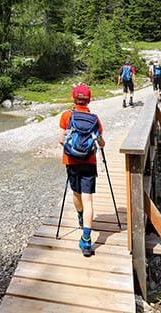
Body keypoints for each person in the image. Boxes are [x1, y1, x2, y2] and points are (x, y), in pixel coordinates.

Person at [58, 83, 105, 257]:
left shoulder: (66, 115)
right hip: (89, 161)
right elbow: (100, 142)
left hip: (71, 161)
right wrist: (98, 144)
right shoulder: (94, 119)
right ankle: (86, 240)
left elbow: (60, 139)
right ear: (89, 100)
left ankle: (80, 216)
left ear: (73, 98)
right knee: (89, 200)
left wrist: (71, 149)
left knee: (76, 193)